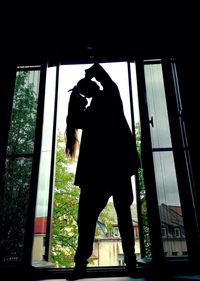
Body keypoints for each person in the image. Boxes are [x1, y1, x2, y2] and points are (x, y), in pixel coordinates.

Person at [65, 63, 139, 280]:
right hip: (118, 168)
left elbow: (75, 120)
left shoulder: (95, 107)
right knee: (123, 216)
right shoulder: (110, 97)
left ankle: (80, 266)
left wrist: (79, 96)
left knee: (87, 219)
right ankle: (131, 266)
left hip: (97, 173)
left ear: (87, 94)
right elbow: (104, 78)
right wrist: (93, 72)